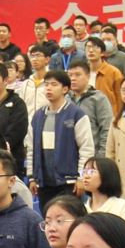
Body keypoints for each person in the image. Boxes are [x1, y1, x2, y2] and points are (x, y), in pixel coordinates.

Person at [29, 72, 94, 202]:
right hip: (44, 183)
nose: (48, 88)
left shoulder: (76, 114)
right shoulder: (38, 116)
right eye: (46, 85)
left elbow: (86, 148)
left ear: (65, 89)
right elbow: (31, 149)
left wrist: (81, 177)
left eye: (54, 84)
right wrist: (32, 177)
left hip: (69, 182)